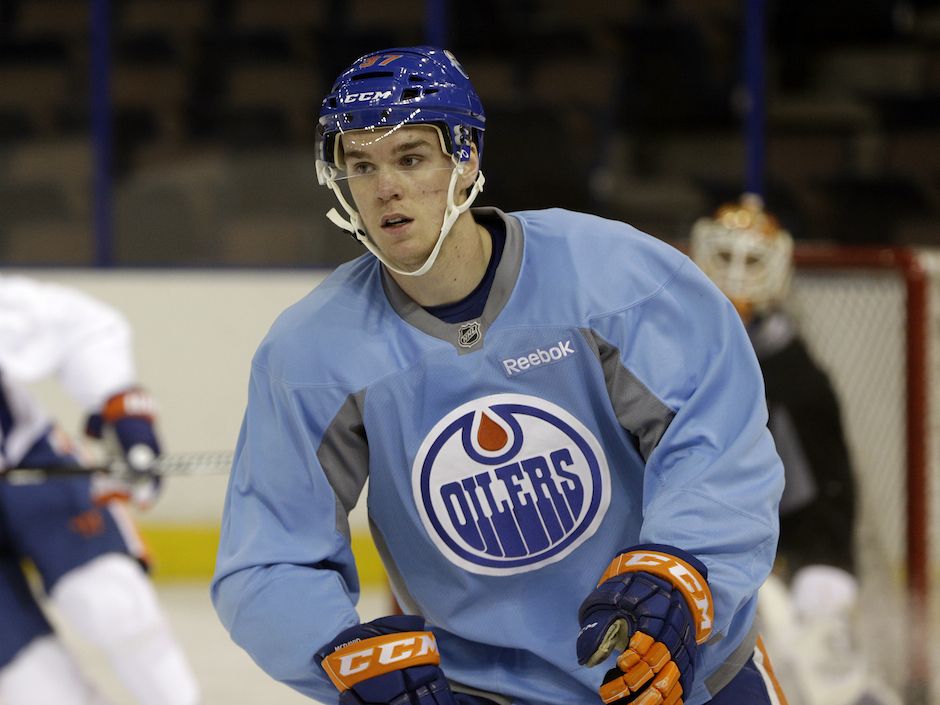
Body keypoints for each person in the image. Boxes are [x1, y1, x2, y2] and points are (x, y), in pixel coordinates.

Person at [212, 46, 786, 705]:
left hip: (682, 669)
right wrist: (341, 651)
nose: (384, 188)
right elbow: (267, 559)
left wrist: (684, 571)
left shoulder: (614, 276)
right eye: (361, 164)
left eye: (410, 157)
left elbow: (719, 441)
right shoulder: (312, 353)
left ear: (467, 159)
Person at [690, 194, 901, 705]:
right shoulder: (696, 351)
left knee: (819, 664)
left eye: (753, 261)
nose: (738, 275)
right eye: (726, 257)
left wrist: (812, 566)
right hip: (735, 551)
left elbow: (821, 491)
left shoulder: (791, 374)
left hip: (798, 557)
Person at [0, 274, 200, 705]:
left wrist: (122, 412)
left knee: (113, 605)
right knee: (34, 689)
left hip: (27, 465)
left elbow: (82, 325)